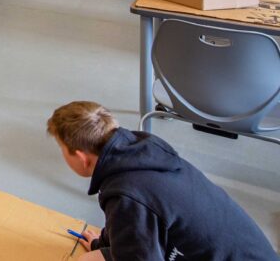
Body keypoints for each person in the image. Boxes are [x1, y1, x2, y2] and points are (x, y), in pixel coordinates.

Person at [46, 101, 277, 261]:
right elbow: (143, 223)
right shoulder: (144, 154)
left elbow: (137, 227)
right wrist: (104, 243)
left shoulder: (127, 195)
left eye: (62, 149)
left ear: (81, 157)